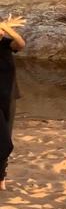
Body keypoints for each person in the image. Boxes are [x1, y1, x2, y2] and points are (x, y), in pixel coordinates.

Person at [0, 15, 26, 191]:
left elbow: (21, 43)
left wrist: (6, 26)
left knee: (6, 136)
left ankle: (1, 177)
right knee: (3, 140)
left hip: (8, 96)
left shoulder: (6, 44)